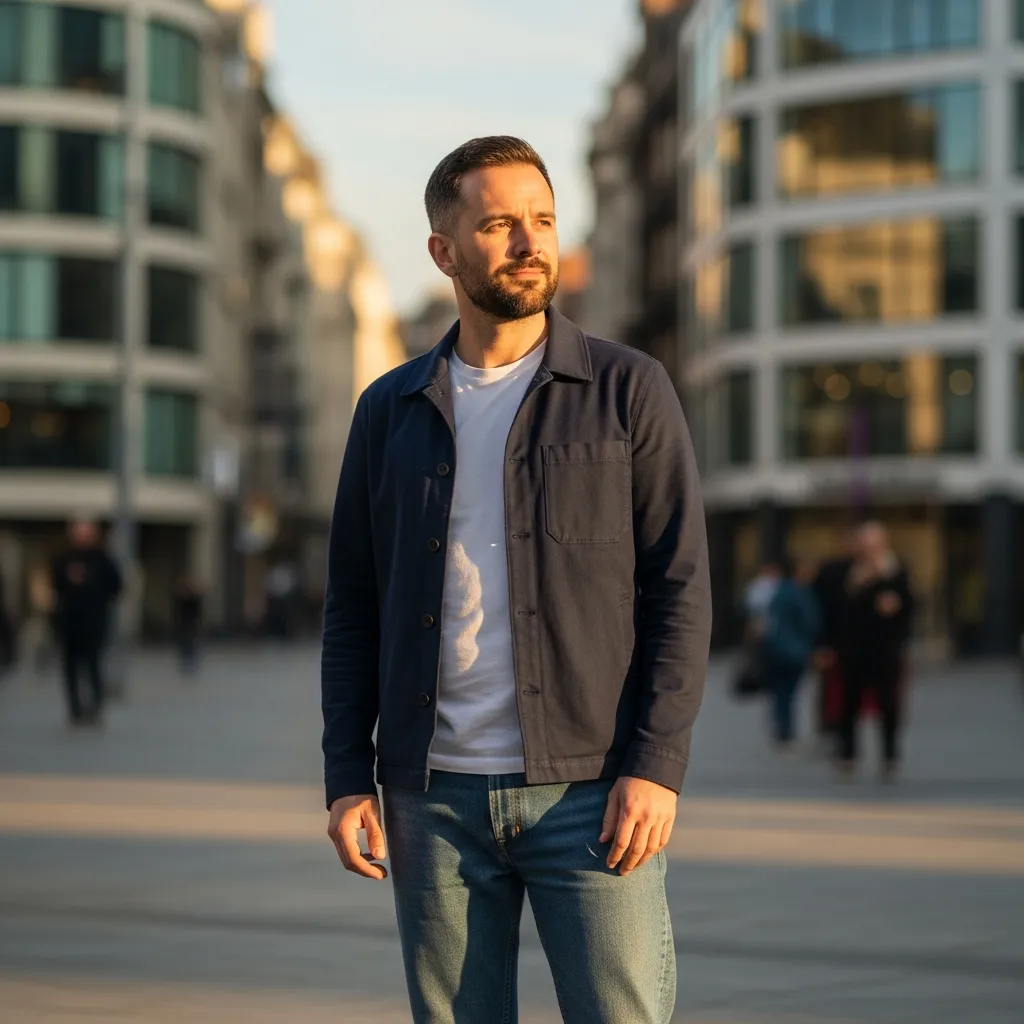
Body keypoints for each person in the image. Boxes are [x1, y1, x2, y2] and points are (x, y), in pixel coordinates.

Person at [322, 137, 712, 1024]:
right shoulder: (388, 409)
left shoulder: (626, 389)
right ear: (444, 251)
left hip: (595, 791)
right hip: (432, 797)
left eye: (541, 220)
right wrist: (349, 773)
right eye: (498, 224)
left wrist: (656, 765)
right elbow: (352, 601)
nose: (530, 242)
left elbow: (679, 585)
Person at [836, 521, 914, 781]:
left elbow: (910, 606)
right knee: (849, 705)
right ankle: (847, 755)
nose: (869, 550)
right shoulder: (848, 572)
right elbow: (835, 607)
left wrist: (896, 606)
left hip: (886, 650)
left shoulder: (896, 571)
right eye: (865, 544)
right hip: (853, 649)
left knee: (889, 705)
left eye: (875, 544)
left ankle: (890, 757)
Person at [50, 520, 122, 726]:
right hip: (69, 622)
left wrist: (94, 592)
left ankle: (96, 706)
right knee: (70, 666)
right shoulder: (63, 558)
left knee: (93, 665)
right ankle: (75, 709)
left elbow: (116, 586)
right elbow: (55, 584)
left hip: (94, 621)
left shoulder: (102, 559)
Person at [761, 557, 821, 749]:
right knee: (789, 692)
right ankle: (786, 730)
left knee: (780, 692)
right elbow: (811, 621)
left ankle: (781, 728)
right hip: (794, 650)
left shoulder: (780, 591)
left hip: (776, 648)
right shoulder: (800, 593)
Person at [812, 535, 855, 739]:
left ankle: (838, 721)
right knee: (829, 685)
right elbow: (820, 610)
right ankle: (829, 721)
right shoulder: (832, 573)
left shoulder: (866, 571)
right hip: (833, 641)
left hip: (851, 641)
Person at [174, 576, 203, 675]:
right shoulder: (181, 600)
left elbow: (197, 613)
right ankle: (185, 663)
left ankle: (191, 663)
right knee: (184, 644)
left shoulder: (193, 600)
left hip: (190, 625)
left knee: (191, 644)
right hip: (184, 625)